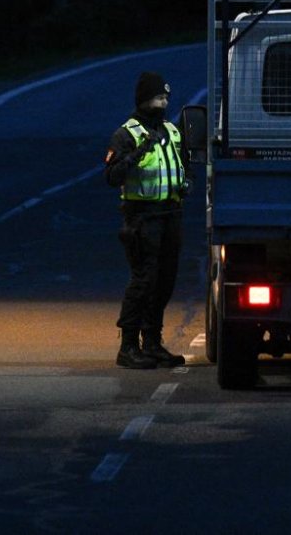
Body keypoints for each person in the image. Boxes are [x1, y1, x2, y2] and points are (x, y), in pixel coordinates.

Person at [103, 71, 190, 369]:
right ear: (143, 99)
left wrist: (185, 182)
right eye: (158, 96)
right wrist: (136, 154)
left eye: (166, 96)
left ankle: (152, 343)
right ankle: (128, 346)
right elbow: (112, 177)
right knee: (143, 280)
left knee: (165, 281)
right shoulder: (126, 134)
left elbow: (183, 164)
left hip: (171, 215)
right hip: (142, 218)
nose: (164, 101)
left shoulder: (172, 130)